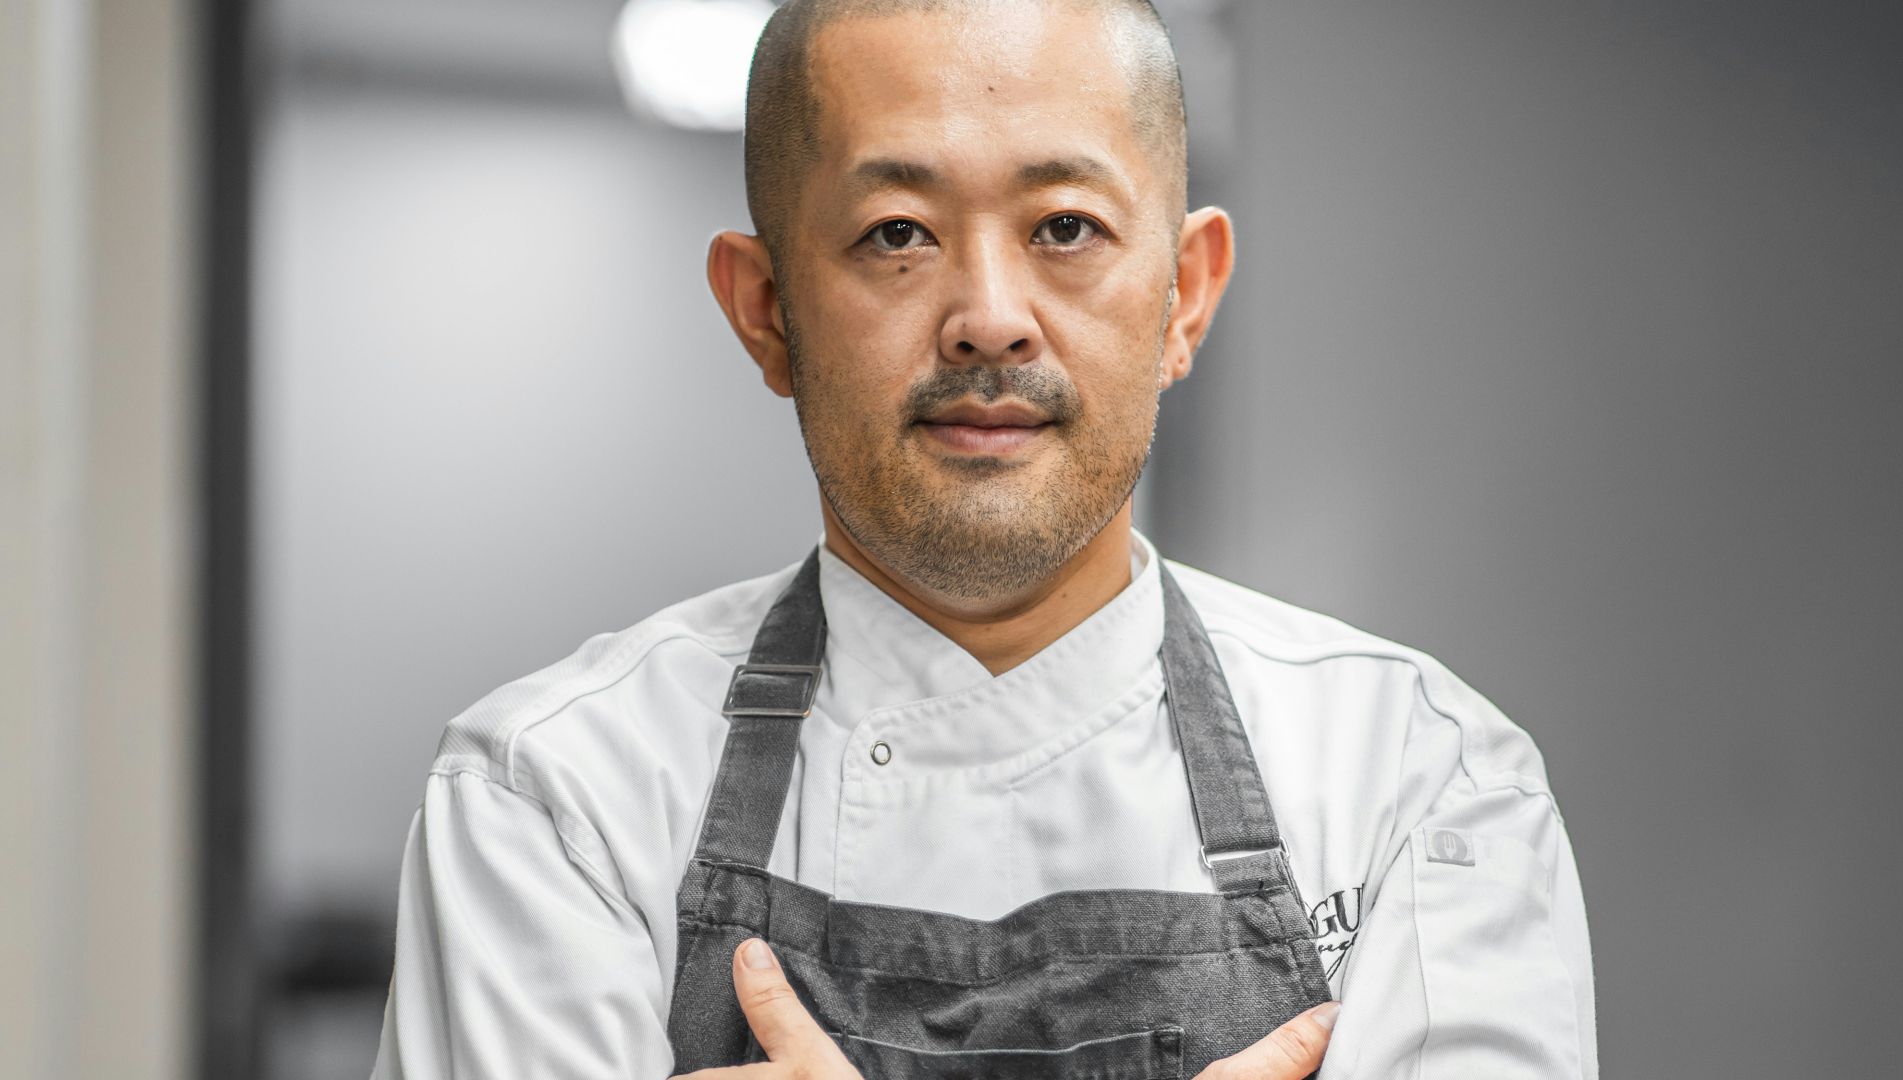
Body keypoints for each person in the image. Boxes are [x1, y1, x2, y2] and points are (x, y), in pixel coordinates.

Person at [370, 1, 1597, 1077]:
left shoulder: (1419, 784)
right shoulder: (556, 798)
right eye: (897, 232)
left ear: (1187, 295)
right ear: (766, 313)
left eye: (1064, 227)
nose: (990, 322)